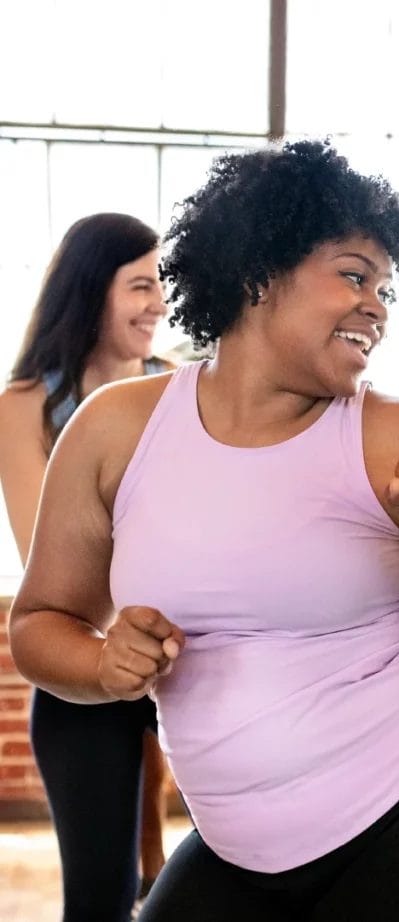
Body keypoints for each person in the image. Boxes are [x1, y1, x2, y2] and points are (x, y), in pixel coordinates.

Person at [7, 139, 399, 922]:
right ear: (257, 274)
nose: (376, 304)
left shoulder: (395, 438)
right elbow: (39, 625)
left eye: (385, 286)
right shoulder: (116, 432)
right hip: (242, 851)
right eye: (352, 275)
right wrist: (103, 663)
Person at [0, 213, 173, 921]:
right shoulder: (25, 406)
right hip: (87, 664)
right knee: (100, 895)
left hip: (187, 650)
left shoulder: (182, 389)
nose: (159, 302)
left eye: (159, 283)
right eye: (139, 285)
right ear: (88, 292)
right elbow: (54, 573)